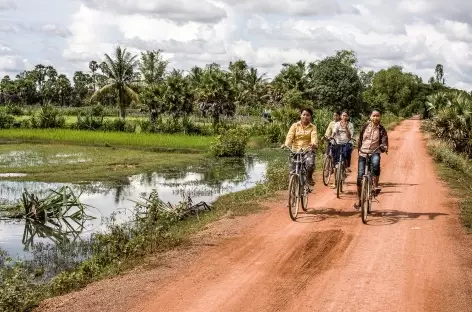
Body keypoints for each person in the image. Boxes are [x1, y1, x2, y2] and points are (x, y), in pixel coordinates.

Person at [354, 109, 389, 209]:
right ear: (370, 117)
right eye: (374, 115)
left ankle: (375, 186)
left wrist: (384, 146)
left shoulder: (382, 129)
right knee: (360, 177)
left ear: (380, 117)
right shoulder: (365, 126)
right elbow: (360, 138)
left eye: (377, 115)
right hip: (363, 152)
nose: (375, 117)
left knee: (376, 164)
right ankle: (360, 200)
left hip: (375, 152)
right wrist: (358, 148)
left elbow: (384, 140)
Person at [282, 108, 318, 186]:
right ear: (300, 115)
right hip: (295, 150)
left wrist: (313, 143)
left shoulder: (313, 127)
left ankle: (309, 178)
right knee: (292, 172)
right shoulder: (295, 125)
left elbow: (314, 136)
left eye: (308, 115)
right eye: (304, 114)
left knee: (310, 164)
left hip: (307, 150)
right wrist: (286, 144)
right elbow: (290, 136)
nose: (305, 117)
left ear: (310, 117)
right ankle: (294, 189)